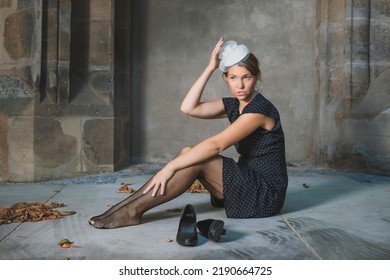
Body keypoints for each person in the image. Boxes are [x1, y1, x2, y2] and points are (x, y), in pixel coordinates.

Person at [88, 38, 288, 229]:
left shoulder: (259, 110)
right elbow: (189, 107)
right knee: (188, 151)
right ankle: (124, 208)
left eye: (246, 77)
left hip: (265, 194)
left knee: (202, 158)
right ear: (226, 78)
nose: (240, 85)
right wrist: (210, 67)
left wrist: (168, 168)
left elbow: (217, 145)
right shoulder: (236, 105)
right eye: (233, 77)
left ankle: (133, 211)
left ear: (256, 77)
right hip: (247, 180)